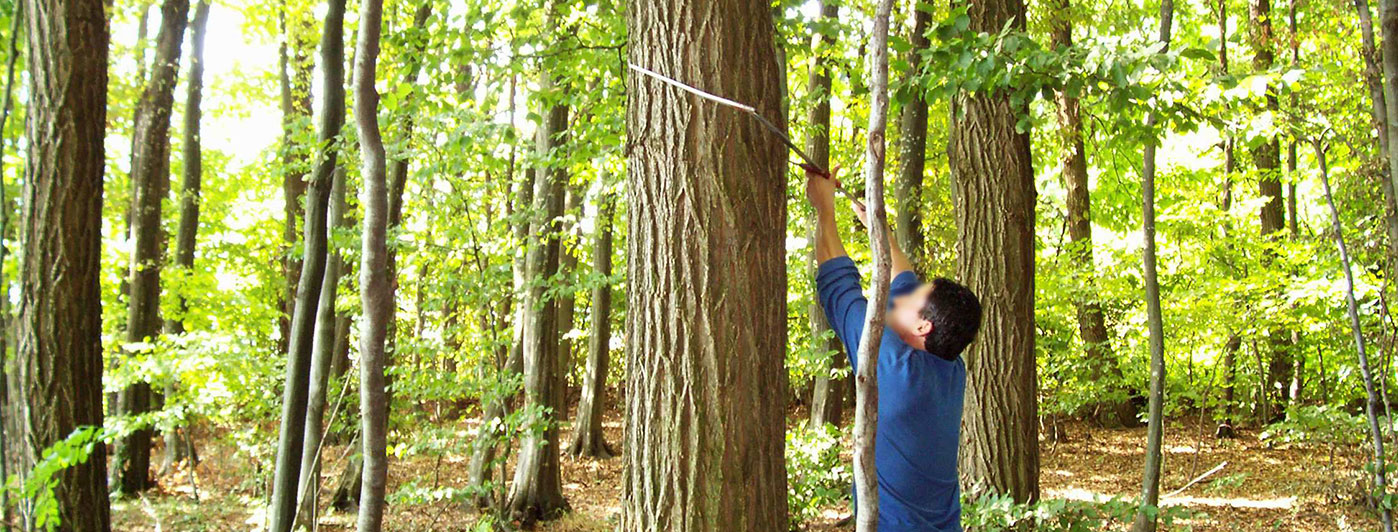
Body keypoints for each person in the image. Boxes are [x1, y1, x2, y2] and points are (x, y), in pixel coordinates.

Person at [806, 166, 983, 532]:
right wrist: (878, 229)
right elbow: (902, 279)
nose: (901, 296)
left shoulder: (891, 364)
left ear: (922, 326)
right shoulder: (950, 367)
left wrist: (823, 206)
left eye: (913, 299)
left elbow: (837, 284)